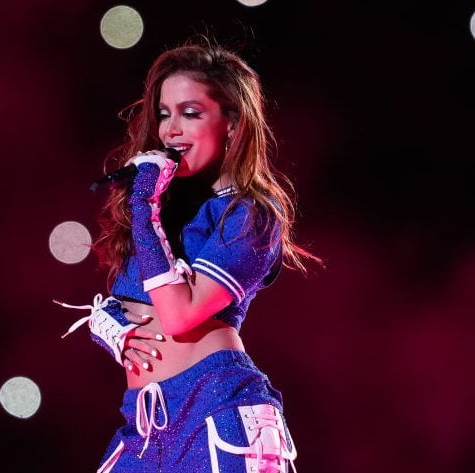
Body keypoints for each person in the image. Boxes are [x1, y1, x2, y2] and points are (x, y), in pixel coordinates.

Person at [58, 37, 319, 472]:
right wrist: (111, 329)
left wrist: (145, 209)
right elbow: (129, 305)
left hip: (215, 408)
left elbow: (180, 316)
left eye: (190, 113)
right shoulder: (161, 208)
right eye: (164, 114)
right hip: (143, 423)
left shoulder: (249, 213)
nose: (170, 130)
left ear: (232, 123)